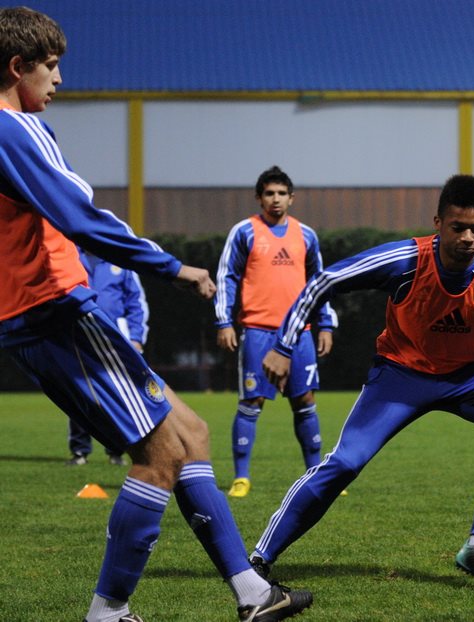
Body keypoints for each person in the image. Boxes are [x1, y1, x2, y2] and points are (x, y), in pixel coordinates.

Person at [0, 7, 311, 621]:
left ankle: (253, 594)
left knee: (191, 434)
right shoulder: (15, 129)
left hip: (46, 314)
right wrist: (173, 267)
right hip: (54, 313)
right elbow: (82, 217)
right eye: (51, 66)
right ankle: (109, 612)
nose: (59, 79)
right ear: (17, 66)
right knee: (161, 456)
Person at [250, 173, 474, 590]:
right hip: (401, 377)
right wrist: (284, 345)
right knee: (345, 462)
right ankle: (260, 558)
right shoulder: (405, 260)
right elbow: (324, 282)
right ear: (438, 223)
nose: (468, 238)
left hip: (471, 376)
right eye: (458, 228)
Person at [215, 165, 338, 498]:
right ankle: (241, 478)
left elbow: (320, 284)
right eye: (269, 193)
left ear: (291, 198)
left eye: (282, 193)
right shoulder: (244, 232)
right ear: (259, 198)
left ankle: (315, 475)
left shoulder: (306, 236)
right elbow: (227, 277)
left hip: (299, 333)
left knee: (305, 400)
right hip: (258, 331)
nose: (276, 199)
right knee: (251, 401)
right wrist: (224, 321)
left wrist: (326, 324)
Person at [65, 249, 150, 467]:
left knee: (117, 395)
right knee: (80, 394)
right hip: (79, 336)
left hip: (115, 340)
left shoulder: (118, 257)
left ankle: (116, 450)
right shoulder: (69, 255)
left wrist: (136, 337)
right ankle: (79, 451)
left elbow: (136, 302)